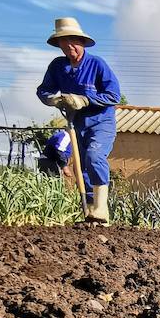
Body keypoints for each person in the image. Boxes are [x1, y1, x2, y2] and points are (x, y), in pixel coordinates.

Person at [36, 17, 120, 224]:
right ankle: (90, 212)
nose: (69, 46)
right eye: (64, 42)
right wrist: (52, 99)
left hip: (101, 122)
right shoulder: (57, 67)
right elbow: (43, 90)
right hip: (77, 124)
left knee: (94, 156)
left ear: (82, 42)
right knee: (81, 166)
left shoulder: (97, 64)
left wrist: (85, 99)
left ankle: (102, 209)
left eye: (73, 41)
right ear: (59, 45)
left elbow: (113, 96)